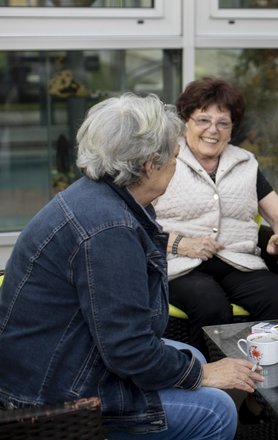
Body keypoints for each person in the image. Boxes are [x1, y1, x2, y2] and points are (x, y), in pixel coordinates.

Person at [0, 93, 264, 439]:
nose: (178, 161)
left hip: (61, 361)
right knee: (216, 410)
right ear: (150, 165)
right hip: (53, 394)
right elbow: (128, 350)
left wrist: (197, 370)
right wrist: (204, 376)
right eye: (174, 156)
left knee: (191, 353)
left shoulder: (97, 196)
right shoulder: (109, 229)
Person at [153, 77, 278, 357]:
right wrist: (180, 244)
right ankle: (205, 381)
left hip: (237, 263)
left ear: (232, 130)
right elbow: (137, 225)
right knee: (209, 303)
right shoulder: (166, 160)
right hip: (179, 266)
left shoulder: (245, 164)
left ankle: (264, 382)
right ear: (186, 122)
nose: (213, 130)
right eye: (203, 120)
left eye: (223, 123)